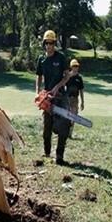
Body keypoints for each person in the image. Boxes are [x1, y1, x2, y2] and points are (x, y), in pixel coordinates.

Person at [35, 30, 77, 165]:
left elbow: (67, 76)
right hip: (47, 97)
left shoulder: (60, 57)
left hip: (60, 96)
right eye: (47, 43)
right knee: (47, 127)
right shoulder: (41, 59)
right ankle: (47, 152)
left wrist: (57, 87)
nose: (49, 46)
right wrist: (38, 92)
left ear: (55, 43)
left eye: (52, 43)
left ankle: (59, 156)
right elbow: (39, 76)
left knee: (64, 125)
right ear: (44, 44)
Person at [65, 59, 85, 138]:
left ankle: (70, 133)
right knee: (66, 116)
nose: (75, 68)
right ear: (71, 67)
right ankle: (65, 132)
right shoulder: (67, 76)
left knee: (74, 116)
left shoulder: (79, 78)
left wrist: (82, 102)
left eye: (77, 66)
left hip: (75, 99)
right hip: (67, 98)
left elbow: (81, 90)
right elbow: (63, 86)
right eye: (74, 66)